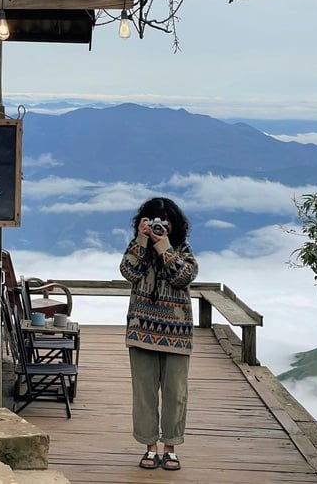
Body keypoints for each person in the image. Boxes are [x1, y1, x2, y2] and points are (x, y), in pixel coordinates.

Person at [119, 196, 198, 471]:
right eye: (152, 222)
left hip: (177, 335)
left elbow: (183, 276)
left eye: (164, 223)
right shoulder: (137, 248)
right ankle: (150, 447)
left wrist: (163, 245)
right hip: (142, 331)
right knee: (144, 394)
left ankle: (171, 448)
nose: (158, 227)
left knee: (176, 394)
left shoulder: (183, 251)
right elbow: (128, 271)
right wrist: (142, 241)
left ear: (174, 225)